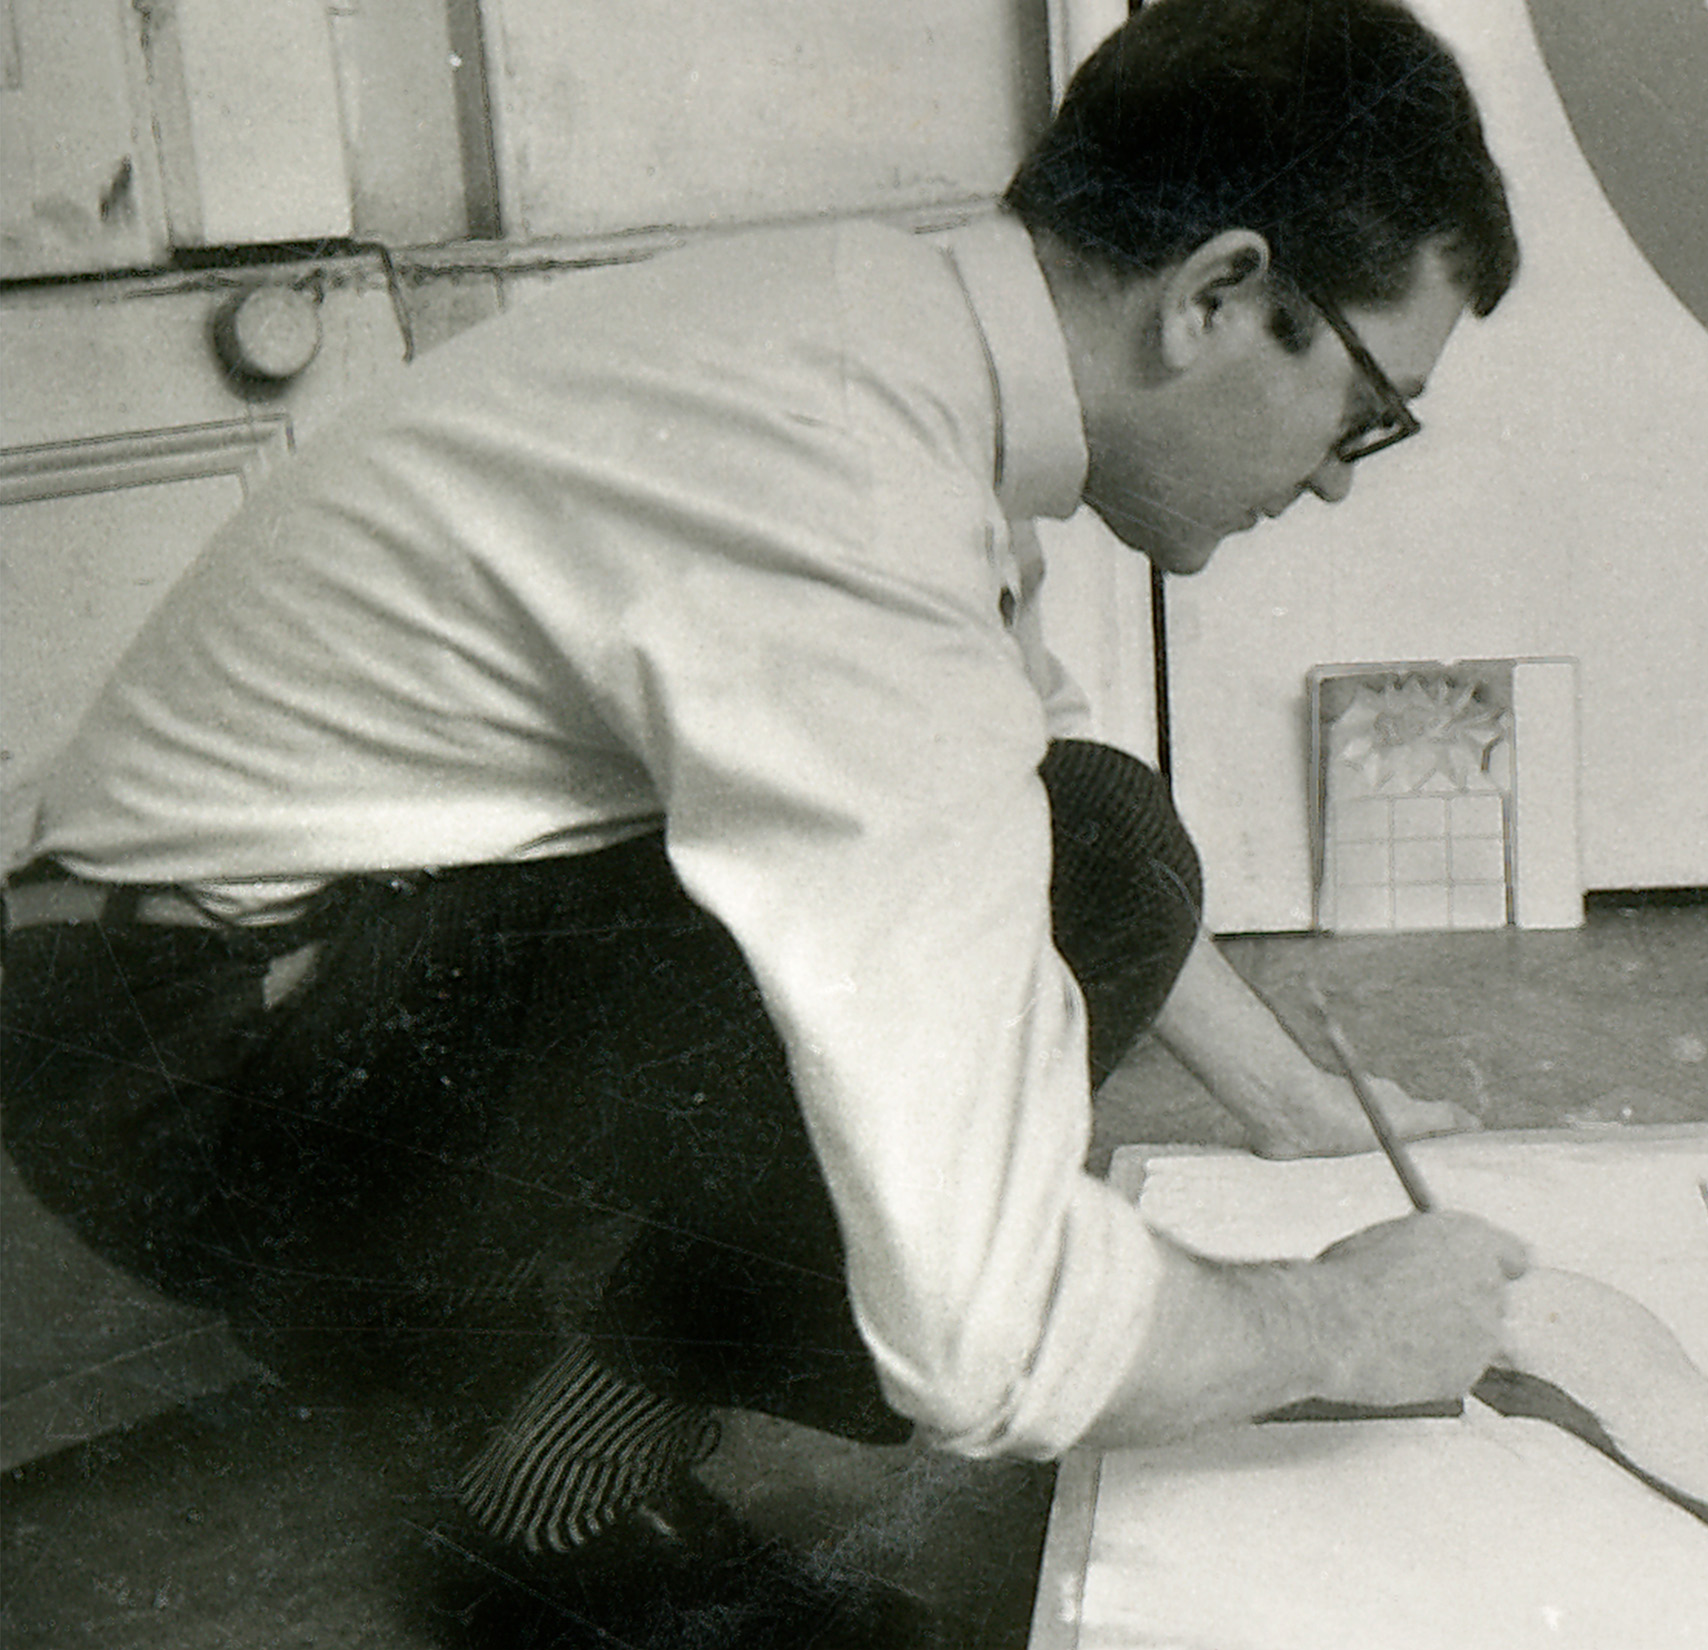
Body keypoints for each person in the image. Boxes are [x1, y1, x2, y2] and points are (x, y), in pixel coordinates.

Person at [0, 0, 1527, 1634]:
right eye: (1368, 409)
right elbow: (984, 1335)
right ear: (1220, 294)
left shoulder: (880, 326)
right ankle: (544, 1490)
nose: (1343, 478)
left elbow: (1035, 784)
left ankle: (548, 1428)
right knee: (991, 1023)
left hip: (240, 967)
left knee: (1094, 839)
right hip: (183, 1073)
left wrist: (1288, 1103)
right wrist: (1338, 1323)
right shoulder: (850, 496)